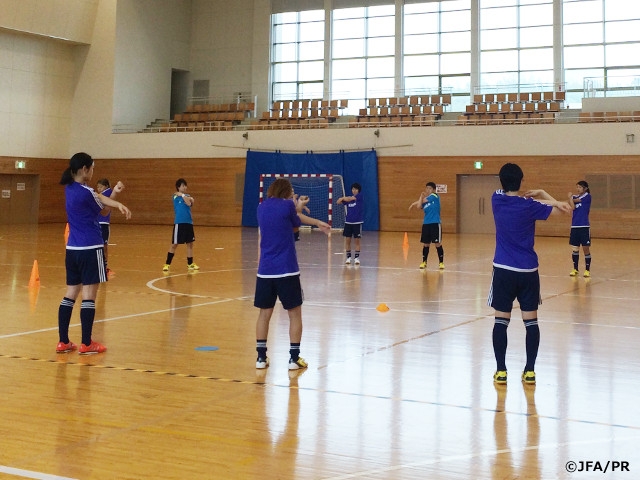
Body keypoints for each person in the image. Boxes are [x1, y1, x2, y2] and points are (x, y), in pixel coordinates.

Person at [488, 163, 571, 385]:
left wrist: (540, 198)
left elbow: (513, 196)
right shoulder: (530, 206)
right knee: (531, 322)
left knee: (500, 321)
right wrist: (545, 195)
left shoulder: (496, 200)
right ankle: (530, 371)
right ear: (522, 180)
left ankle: (501, 371)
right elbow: (565, 210)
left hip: (504, 269)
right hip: (528, 271)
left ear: (501, 181)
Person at [56, 152, 132, 355]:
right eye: (92, 168)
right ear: (84, 169)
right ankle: (87, 344)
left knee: (70, 294)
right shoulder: (86, 192)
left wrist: (114, 196)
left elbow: (100, 202)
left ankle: (63, 342)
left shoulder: (70, 189)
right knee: (89, 296)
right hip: (91, 248)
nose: (93, 171)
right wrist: (117, 200)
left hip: (72, 249)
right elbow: (104, 211)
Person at [254, 178, 331, 370]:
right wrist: (310, 216)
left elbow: (289, 221)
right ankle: (294, 358)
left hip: (265, 271)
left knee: (264, 314)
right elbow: (295, 221)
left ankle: (261, 358)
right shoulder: (288, 206)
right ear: (286, 192)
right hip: (286, 269)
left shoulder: (261, 207)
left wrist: (297, 207)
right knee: (295, 314)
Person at [163, 178, 198, 272]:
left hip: (188, 223)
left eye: (185, 185)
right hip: (179, 223)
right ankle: (167, 264)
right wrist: (183, 196)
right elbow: (185, 198)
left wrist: (183, 195)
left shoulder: (187, 196)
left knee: (190, 244)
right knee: (174, 244)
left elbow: (189, 203)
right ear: (178, 187)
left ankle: (190, 264)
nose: (185, 187)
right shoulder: (175, 196)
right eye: (183, 185)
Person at [408, 181, 444, 270]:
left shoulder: (435, 196)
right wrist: (420, 196)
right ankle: (424, 262)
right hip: (426, 224)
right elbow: (419, 205)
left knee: (437, 243)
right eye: (427, 188)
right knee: (426, 244)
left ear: (434, 190)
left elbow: (423, 200)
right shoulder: (425, 200)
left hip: (435, 223)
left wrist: (413, 203)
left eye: (430, 188)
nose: (428, 190)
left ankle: (441, 262)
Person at [95, 178, 125, 277]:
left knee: (104, 246)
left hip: (103, 223)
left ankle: (104, 266)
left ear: (106, 186)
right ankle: (101, 266)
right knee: (100, 246)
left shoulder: (107, 192)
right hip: (97, 223)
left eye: (101, 186)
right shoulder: (99, 194)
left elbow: (112, 195)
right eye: (97, 187)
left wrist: (116, 188)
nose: (98, 188)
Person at [568, 180, 592, 277]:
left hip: (584, 226)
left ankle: (587, 270)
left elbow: (574, 201)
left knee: (585, 249)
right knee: (575, 249)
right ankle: (575, 269)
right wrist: (570, 199)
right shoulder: (575, 197)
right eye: (577, 187)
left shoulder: (587, 196)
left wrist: (570, 197)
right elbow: (572, 206)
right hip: (574, 226)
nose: (578, 189)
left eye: (580, 187)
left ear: (585, 188)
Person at [337, 182, 364, 265]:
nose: (354, 190)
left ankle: (356, 258)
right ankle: (348, 257)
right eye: (352, 189)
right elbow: (338, 202)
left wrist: (344, 198)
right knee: (347, 240)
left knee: (357, 241)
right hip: (348, 222)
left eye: (355, 189)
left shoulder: (359, 196)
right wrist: (342, 198)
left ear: (358, 190)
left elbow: (349, 199)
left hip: (357, 222)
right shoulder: (349, 199)